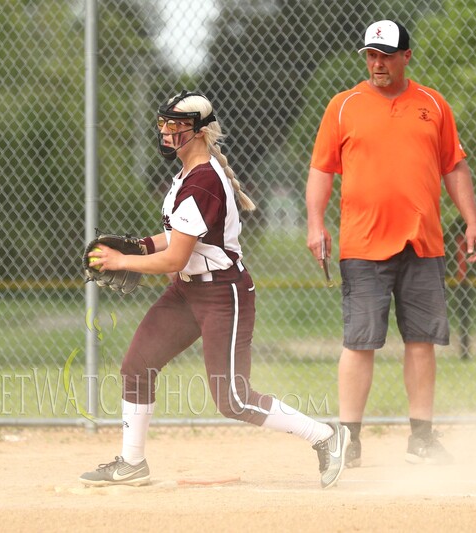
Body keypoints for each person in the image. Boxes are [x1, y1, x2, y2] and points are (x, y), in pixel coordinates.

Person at [80, 90, 350, 489]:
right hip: (187, 291)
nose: (168, 133)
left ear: (201, 132)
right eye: (164, 125)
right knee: (137, 366)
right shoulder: (186, 176)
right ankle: (132, 462)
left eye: (178, 126)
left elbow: (174, 258)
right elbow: (176, 238)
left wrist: (123, 261)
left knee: (233, 400)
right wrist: (140, 246)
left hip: (224, 293)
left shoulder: (203, 180)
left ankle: (326, 437)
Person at [305, 20, 476, 467]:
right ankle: (350, 439)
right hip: (363, 244)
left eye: (386, 55)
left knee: (421, 342)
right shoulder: (343, 106)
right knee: (360, 341)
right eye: (371, 54)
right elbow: (321, 170)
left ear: (407, 56)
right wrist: (315, 223)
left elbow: (454, 167)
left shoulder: (433, 105)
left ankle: (421, 440)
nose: (377, 63)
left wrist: (472, 222)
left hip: (423, 242)